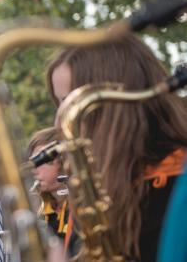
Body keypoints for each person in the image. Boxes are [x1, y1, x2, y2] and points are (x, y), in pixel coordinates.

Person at [47, 33, 187, 261]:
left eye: (70, 103)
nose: (58, 123)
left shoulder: (176, 184)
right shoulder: (95, 185)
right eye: (59, 103)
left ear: (113, 105)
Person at [26, 127, 76, 256]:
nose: (34, 170)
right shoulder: (41, 210)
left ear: (65, 163)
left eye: (42, 162)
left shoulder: (80, 208)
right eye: (33, 162)